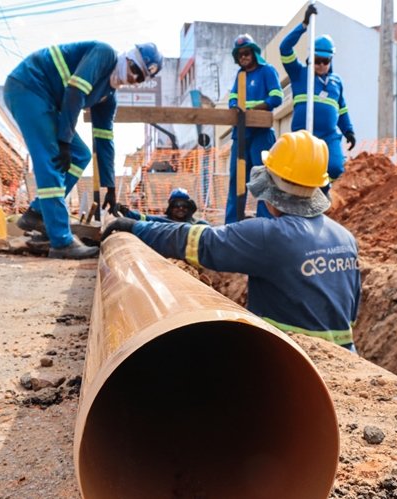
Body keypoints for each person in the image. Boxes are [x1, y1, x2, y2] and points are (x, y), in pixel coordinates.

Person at [103, 131, 361, 352]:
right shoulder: (345, 238)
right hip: (346, 360)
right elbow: (352, 310)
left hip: (291, 361)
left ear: (272, 188)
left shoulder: (268, 236)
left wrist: (137, 227)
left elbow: (198, 242)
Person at [5, 41, 163, 259]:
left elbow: (104, 139)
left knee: (81, 155)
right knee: (52, 160)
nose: (134, 78)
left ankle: (38, 213)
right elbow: (75, 91)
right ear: (128, 57)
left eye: (141, 78)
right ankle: (61, 241)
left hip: (46, 101)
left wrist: (110, 186)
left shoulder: (108, 96)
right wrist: (64, 141)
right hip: (28, 87)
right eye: (135, 69)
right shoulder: (104, 54)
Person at [279, 5, 356, 192]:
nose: (321, 65)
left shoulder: (336, 82)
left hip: (328, 136)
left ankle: (322, 195)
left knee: (336, 168)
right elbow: (285, 48)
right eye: (318, 60)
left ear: (331, 60)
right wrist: (304, 25)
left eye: (325, 61)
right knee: (301, 173)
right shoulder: (299, 74)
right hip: (303, 134)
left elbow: (342, 109)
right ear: (311, 57)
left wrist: (349, 131)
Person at [225, 34, 283, 224]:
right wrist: (236, 106)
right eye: (240, 55)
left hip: (261, 133)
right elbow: (233, 98)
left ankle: (265, 221)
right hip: (241, 133)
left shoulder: (267, 71)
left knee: (264, 178)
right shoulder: (240, 76)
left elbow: (276, 97)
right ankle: (232, 224)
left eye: (246, 53)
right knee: (236, 180)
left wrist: (252, 109)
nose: (244, 57)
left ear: (254, 53)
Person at [117, 187, 209, 225]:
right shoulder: (162, 222)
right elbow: (142, 217)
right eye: (177, 205)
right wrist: (124, 210)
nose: (181, 208)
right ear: (171, 207)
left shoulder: (198, 224)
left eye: (184, 205)